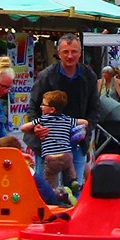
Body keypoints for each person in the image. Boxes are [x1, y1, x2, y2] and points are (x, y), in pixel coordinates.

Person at [30, 34, 99, 178]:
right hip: (49, 143)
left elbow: (94, 108)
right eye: (65, 52)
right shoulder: (46, 76)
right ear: (58, 53)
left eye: (74, 51)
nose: (70, 56)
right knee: (47, 191)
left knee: (74, 190)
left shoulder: (89, 76)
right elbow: (33, 107)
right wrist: (36, 127)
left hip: (77, 142)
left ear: (80, 53)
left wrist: (87, 129)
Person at [29, 88, 80, 202]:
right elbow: (84, 122)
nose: (41, 107)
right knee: (70, 167)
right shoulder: (67, 119)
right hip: (67, 155)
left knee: (49, 185)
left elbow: (24, 127)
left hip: (51, 158)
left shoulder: (43, 119)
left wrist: (33, 129)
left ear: (51, 109)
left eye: (43, 104)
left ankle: (59, 196)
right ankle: (73, 180)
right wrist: (82, 128)